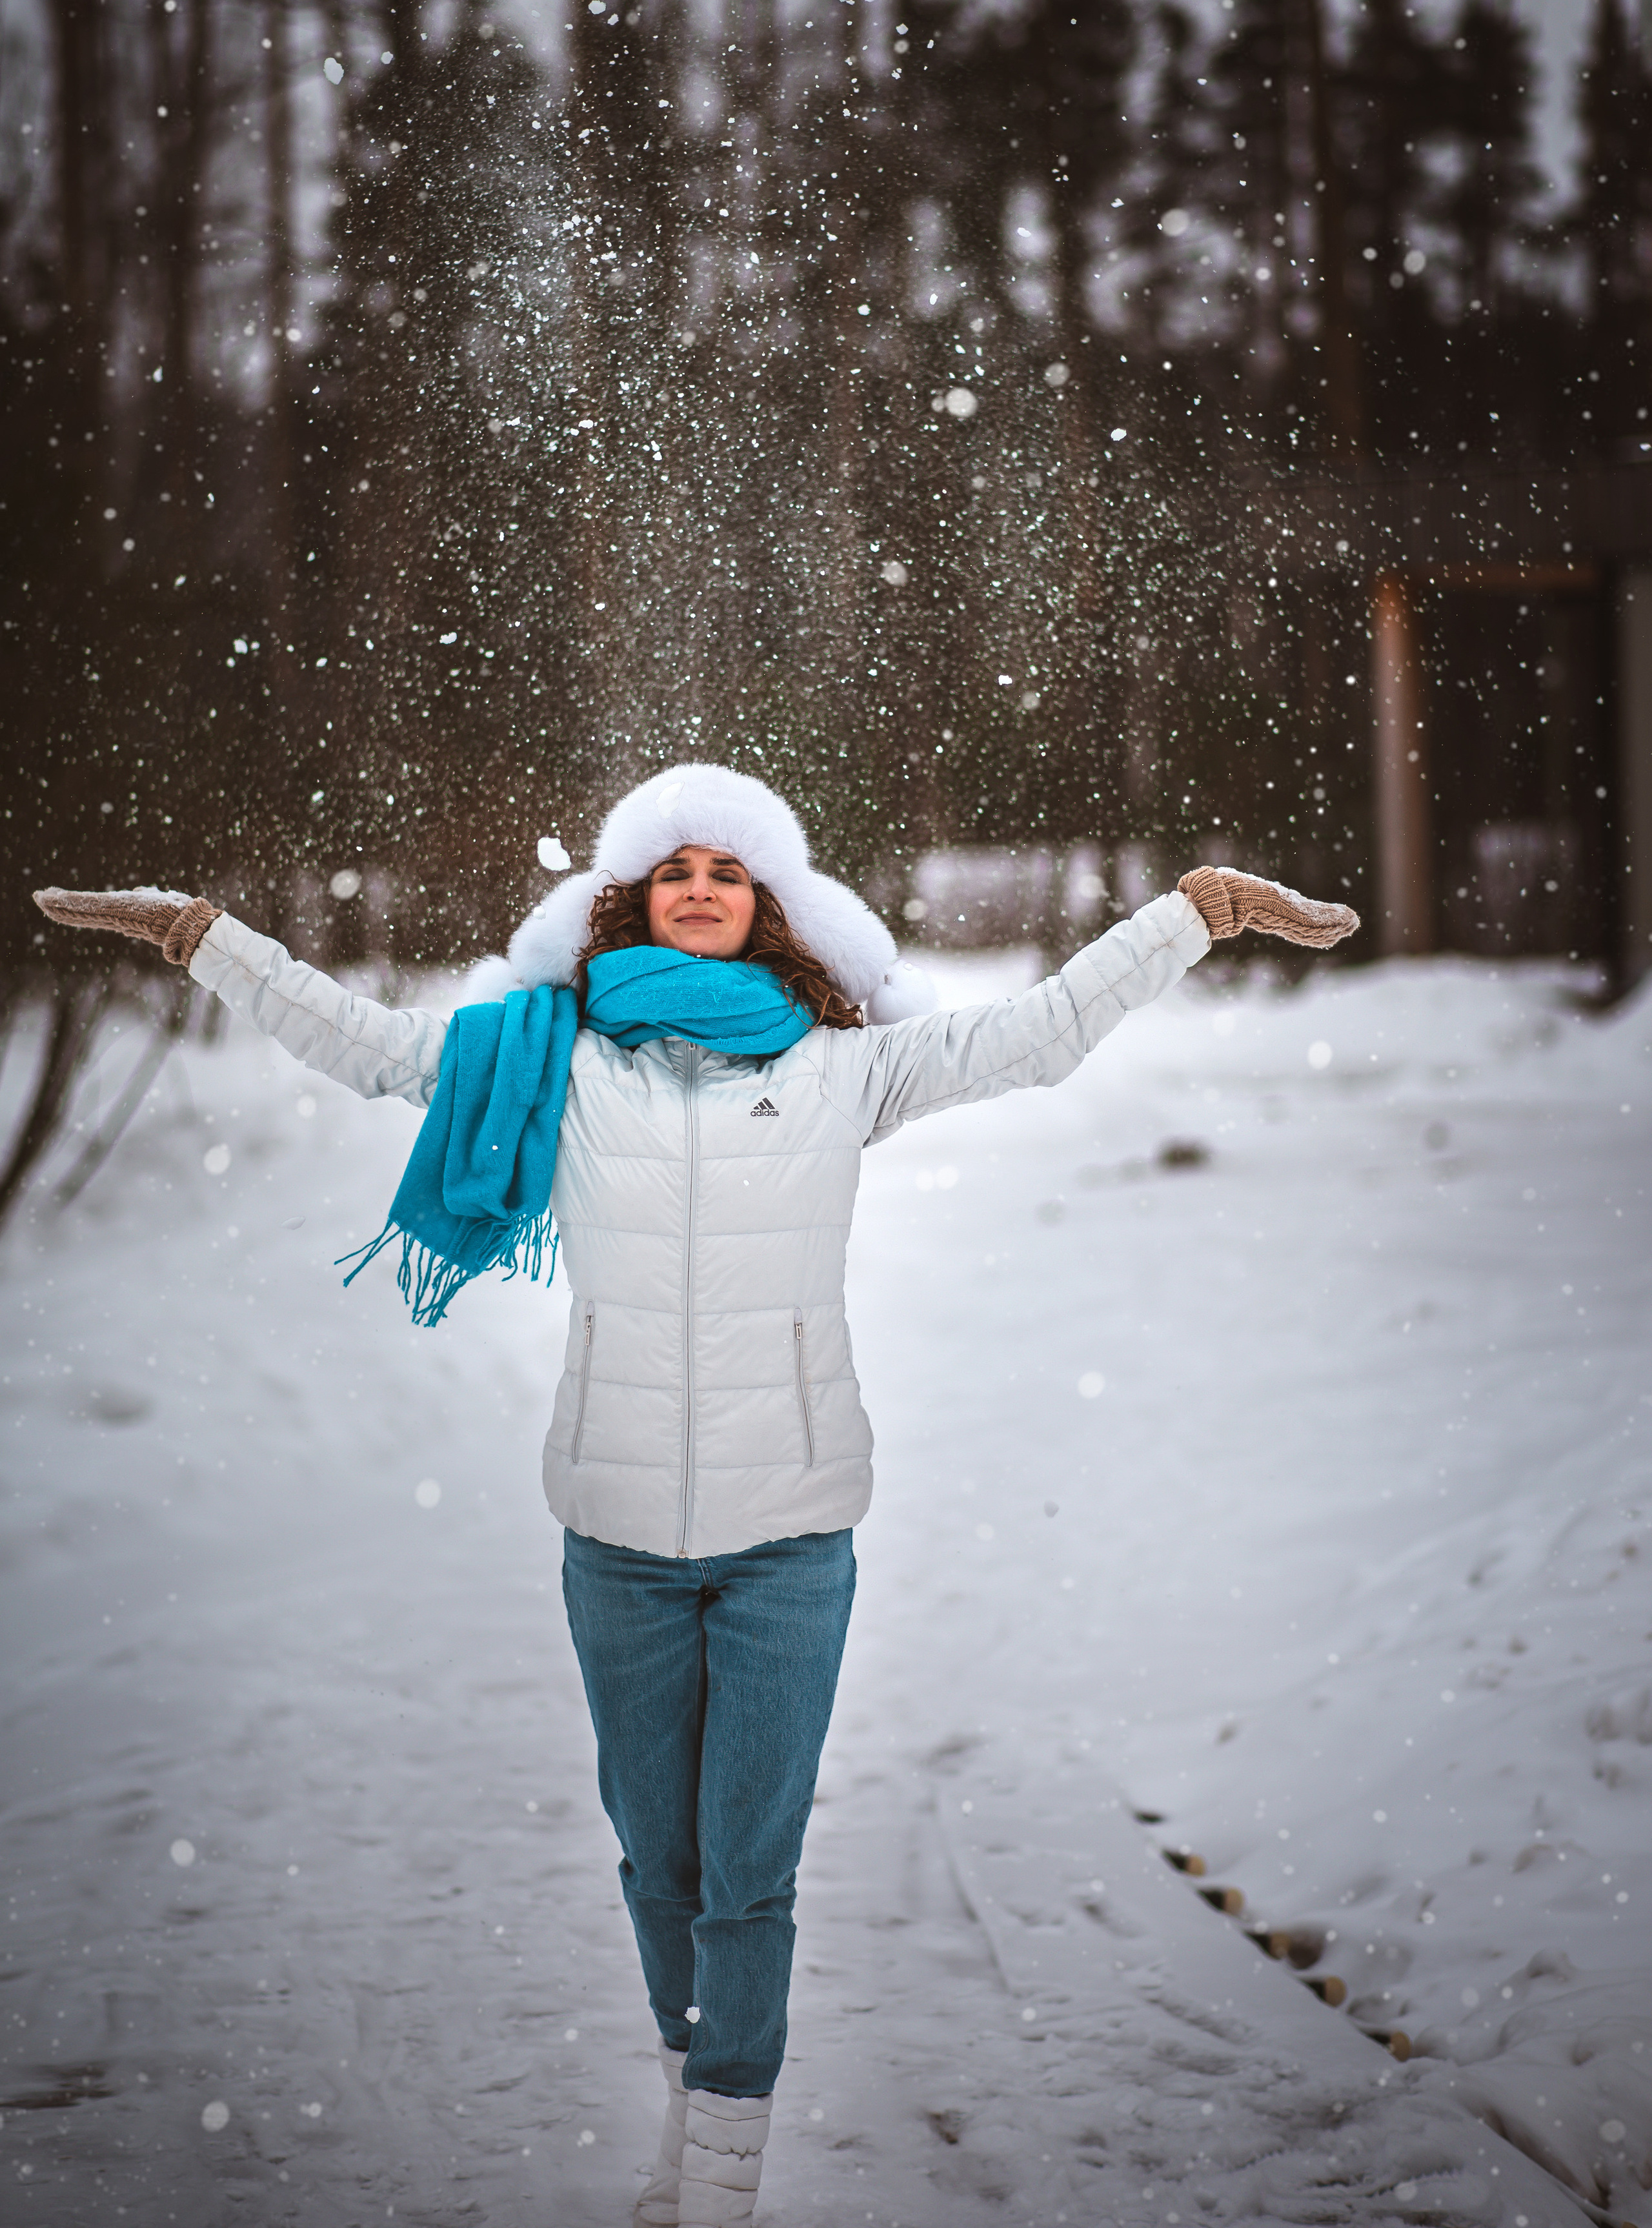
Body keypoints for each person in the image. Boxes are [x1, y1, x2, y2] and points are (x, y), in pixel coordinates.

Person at [35, 762, 1356, 2226]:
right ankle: (692, 2104)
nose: (702, 888)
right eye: (677, 871)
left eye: (730, 872)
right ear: (634, 902)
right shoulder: (553, 1057)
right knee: (655, 1867)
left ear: (770, 907)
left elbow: (1040, 1035)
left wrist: (1188, 915)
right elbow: (357, 1042)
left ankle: (719, 2177)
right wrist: (204, 937)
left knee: (747, 1876)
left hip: (790, 1536)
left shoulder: (844, 1066)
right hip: (615, 1545)